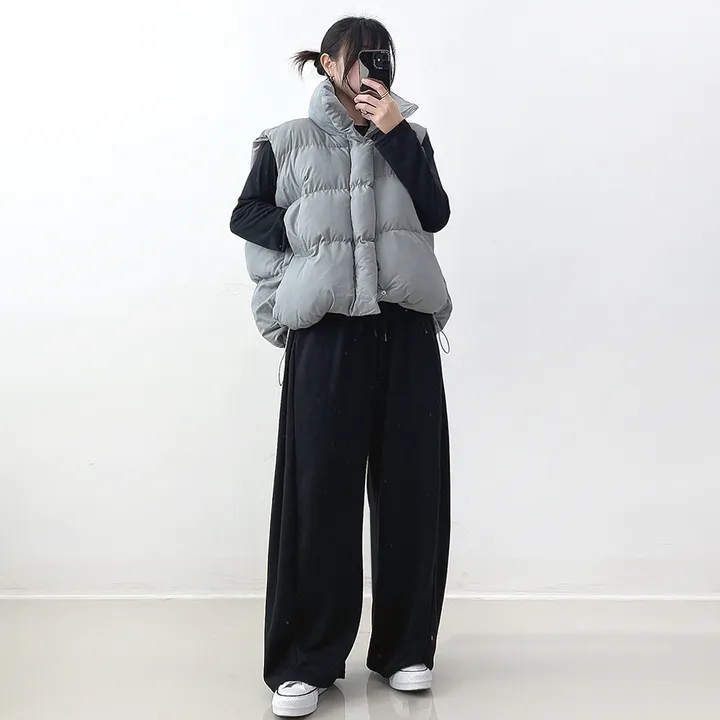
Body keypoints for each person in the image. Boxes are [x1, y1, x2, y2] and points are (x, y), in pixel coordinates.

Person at [229, 16, 452, 718]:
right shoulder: (284, 141)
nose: (370, 70)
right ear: (328, 64)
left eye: (381, 58)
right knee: (317, 494)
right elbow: (246, 214)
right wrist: (304, 228)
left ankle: (405, 648)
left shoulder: (411, 137)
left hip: (405, 329)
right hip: (325, 335)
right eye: (358, 59)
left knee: (413, 492)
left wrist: (393, 132)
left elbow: (436, 213)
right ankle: (306, 660)